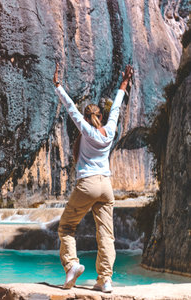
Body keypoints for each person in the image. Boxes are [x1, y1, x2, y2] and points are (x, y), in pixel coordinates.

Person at [53, 62, 134, 293]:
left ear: (87, 118)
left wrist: (58, 85)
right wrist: (124, 82)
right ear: (100, 115)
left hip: (87, 184)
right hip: (105, 186)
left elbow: (70, 108)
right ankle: (105, 280)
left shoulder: (86, 131)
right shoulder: (109, 130)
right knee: (106, 235)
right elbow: (117, 107)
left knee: (67, 227)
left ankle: (72, 265)